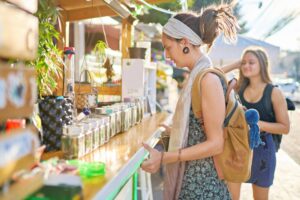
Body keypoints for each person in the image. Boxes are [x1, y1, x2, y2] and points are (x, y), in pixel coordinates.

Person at [140, 4, 239, 200]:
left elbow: (216, 144)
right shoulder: (196, 76)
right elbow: (199, 131)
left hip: (204, 188)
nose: (167, 55)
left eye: (168, 48)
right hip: (193, 183)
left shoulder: (207, 80)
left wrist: (164, 157)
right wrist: (175, 130)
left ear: (184, 42)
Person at [221, 46, 290, 200]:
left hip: (263, 152)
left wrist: (257, 124)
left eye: (251, 62)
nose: (246, 66)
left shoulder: (274, 92)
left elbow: (285, 128)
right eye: (243, 62)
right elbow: (213, 74)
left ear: (262, 64)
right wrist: (234, 65)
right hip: (237, 149)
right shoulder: (237, 88)